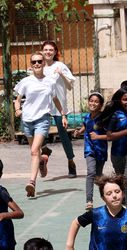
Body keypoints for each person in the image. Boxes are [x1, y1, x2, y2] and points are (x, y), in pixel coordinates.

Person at [14, 52, 68, 197]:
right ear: (31, 65)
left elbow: (56, 100)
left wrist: (63, 115)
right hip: (27, 119)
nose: (37, 64)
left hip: (43, 119)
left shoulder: (50, 81)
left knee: (33, 151)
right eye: (34, 62)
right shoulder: (26, 81)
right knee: (35, 152)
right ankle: (43, 159)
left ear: (44, 63)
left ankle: (32, 182)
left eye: (39, 61)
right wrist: (18, 109)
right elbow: (17, 100)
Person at [97, 86, 127, 202]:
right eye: (125, 100)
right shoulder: (116, 115)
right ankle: (122, 203)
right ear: (120, 100)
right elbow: (109, 136)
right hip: (118, 153)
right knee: (121, 180)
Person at [41, 41, 77, 177]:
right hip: (43, 108)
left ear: (55, 52)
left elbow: (69, 87)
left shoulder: (60, 66)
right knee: (37, 132)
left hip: (59, 108)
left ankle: (71, 163)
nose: (48, 52)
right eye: (45, 50)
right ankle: (45, 149)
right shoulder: (39, 66)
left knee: (63, 136)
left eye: (51, 50)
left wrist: (61, 74)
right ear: (42, 51)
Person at [75, 92, 107, 210]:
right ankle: (89, 201)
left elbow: (110, 132)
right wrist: (79, 131)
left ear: (100, 105)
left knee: (98, 177)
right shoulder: (87, 116)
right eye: (91, 101)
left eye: (96, 102)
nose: (93, 103)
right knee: (91, 172)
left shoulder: (104, 118)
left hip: (101, 149)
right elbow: (85, 125)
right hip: (89, 149)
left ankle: (108, 193)